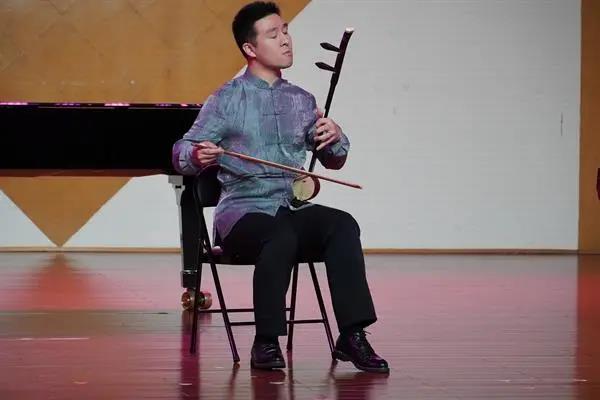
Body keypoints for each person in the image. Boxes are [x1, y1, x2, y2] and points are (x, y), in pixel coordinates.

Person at [172, 1, 388, 373]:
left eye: (286, 31)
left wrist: (335, 136)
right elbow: (181, 152)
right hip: (242, 214)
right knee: (280, 234)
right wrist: (197, 154)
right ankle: (266, 340)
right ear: (250, 48)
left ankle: (352, 335)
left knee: (342, 225)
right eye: (273, 34)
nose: (286, 40)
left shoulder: (302, 101)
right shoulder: (226, 99)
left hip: (291, 207)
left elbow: (334, 159)